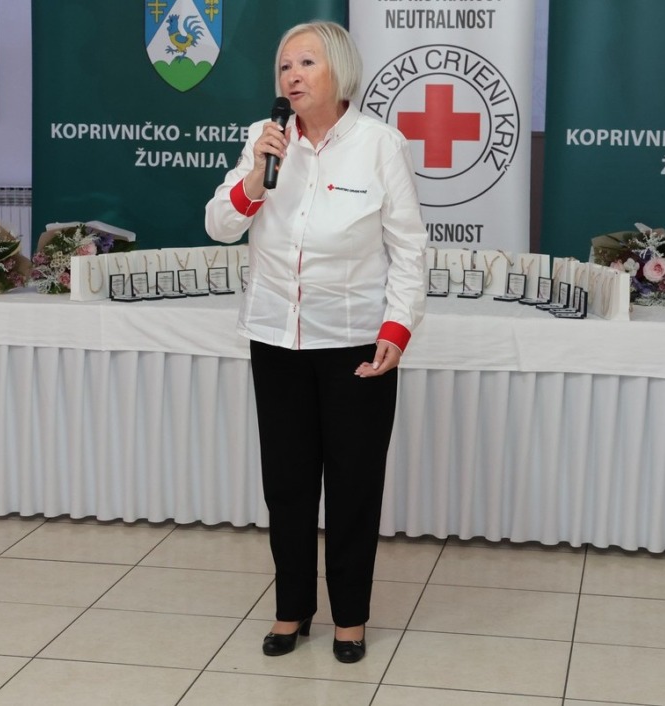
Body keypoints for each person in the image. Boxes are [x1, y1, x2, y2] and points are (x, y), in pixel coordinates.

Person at [204, 20, 427, 664]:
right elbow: (219, 224)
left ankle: (350, 617)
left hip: (355, 343)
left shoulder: (379, 144)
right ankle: (292, 608)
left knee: (354, 486)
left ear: (339, 71)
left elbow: (409, 249)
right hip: (275, 337)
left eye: (306, 63)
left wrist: (397, 327)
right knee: (287, 486)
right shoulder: (264, 138)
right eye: (284, 66)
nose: (292, 76)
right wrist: (255, 175)